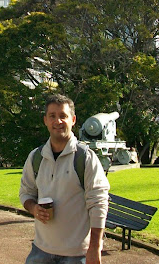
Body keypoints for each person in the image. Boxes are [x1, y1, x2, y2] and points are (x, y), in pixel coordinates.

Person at [20, 95, 110, 264]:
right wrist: (33, 209)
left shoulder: (85, 158)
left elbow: (98, 203)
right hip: (40, 251)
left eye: (63, 116)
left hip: (76, 255)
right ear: (45, 120)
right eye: (52, 116)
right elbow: (26, 193)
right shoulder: (35, 157)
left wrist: (95, 247)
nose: (58, 121)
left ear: (73, 120)